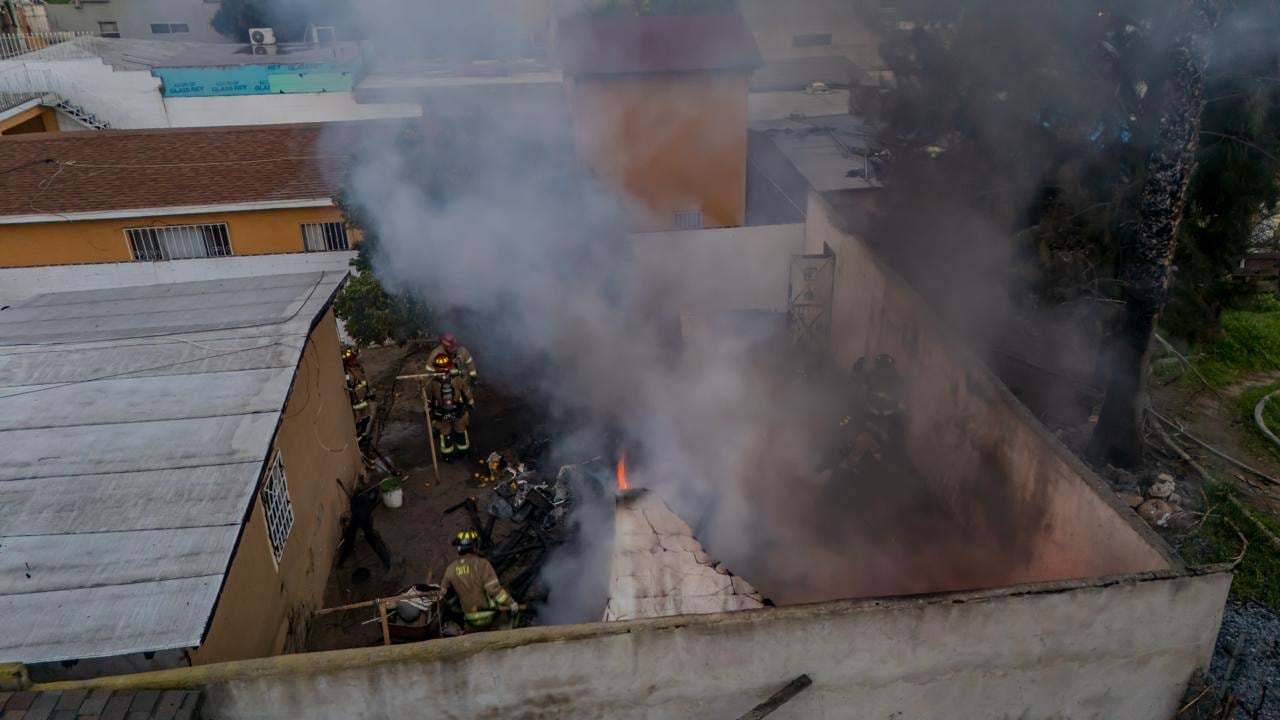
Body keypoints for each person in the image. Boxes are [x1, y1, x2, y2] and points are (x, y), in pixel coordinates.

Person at [440, 530, 518, 632]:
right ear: (474, 547)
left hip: (469, 618)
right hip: (487, 615)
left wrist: (458, 608)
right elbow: (494, 590)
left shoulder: (450, 569)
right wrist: (511, 603)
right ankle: (504, 633)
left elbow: (444, 593)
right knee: (505, 603)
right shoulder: (482, 564)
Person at [426, 353, 474, 462]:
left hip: (442, 414)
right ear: (449, 367)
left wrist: (429, 413)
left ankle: (447, 456)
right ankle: (464, 453)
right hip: (458, 412)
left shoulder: (432, 383)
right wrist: (470, 405)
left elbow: (428, 400)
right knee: (461, 432)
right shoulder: (457, 379)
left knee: (445, 434)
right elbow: (467, 392)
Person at [337, 481, 392, 570]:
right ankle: (386, 560)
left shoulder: (360, 499)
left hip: (362, 518)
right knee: (353, 540)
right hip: (359, 518)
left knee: (370, 539)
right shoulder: (361, 500)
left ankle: (385, 560)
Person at [342, 345, 374, 442]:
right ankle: (360, 443)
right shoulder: (348, 374)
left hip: (364, 402)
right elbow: (351, 389)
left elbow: (364, 383)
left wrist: (370, 393)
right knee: (359, 424)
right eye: (355, 358)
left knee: (366, 420)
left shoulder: (359, 368)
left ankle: (364, 440)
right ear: (350, 360)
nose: (358, 359)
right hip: (357, 406)